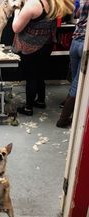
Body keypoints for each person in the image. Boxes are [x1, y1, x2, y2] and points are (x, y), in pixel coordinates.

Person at [12, 0, 74, 116]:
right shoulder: (53, 3)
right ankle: (40, 101)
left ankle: (28, 108)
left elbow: (16, 28)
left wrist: (16, 11)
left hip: (31, 46)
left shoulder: (33, 4)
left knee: (31, 76)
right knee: (39, 74)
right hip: (46, 45)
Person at [56, 0, 89, 128]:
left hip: (75, 42)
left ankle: (70, 108)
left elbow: (75, 15)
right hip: (85, 45)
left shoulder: (82, 1)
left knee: (75, 78)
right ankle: (63, 119)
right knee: (77, 82)